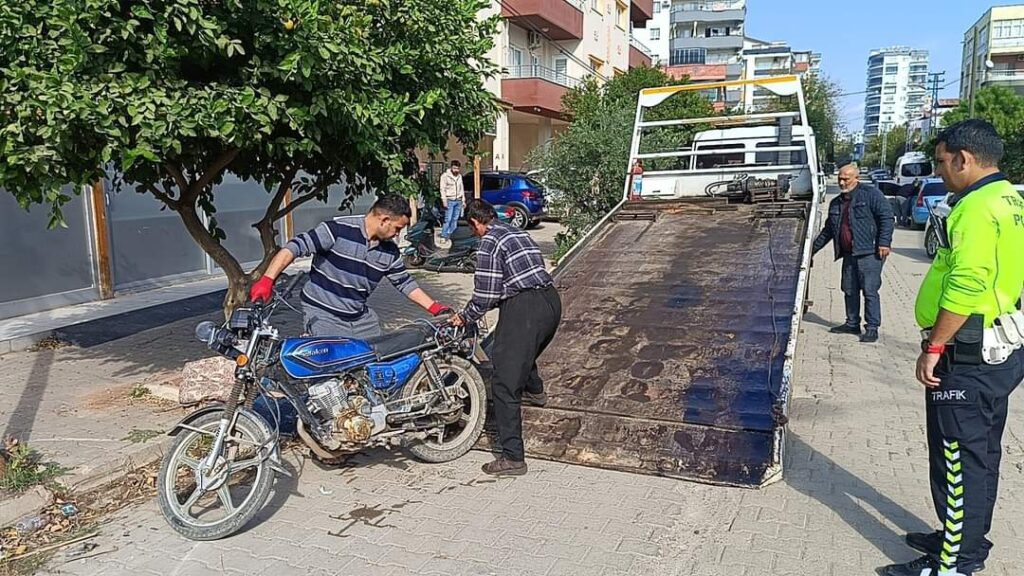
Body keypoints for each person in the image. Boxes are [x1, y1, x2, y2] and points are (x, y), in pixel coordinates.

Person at [882, 120, 1024, 576]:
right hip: (995, 348)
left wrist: (935, 346)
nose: (940, 171)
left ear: (964, 158)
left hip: (967, 354)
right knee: (979, 454)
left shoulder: (977, 208)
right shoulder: (1010, 200)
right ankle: (960, 537)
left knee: (958, 460)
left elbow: (967, 282)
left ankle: (954, 562)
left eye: (943, 162)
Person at [450, 199, 561, 476]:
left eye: (472, 228)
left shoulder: (489, 242)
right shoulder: (516, 232)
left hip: (523, 307)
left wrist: (465, 317)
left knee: (503, 381)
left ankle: (513, 457)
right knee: (521, 351)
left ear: (476, 223)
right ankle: (536, 392)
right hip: (551, 301)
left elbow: (487, 294)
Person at [250, 194, 451, 339]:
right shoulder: (337, 230)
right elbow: (292, 248)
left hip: (360, 318)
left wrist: (435, 308)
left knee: (376, 365)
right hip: (323, 314)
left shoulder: (389, 251)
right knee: (329, 372)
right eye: (397, 228)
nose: (397, 234)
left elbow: (405, 284)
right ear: (384, 220)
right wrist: (267, 280)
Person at [812, 163, 894, 343]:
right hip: (849, 254)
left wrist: (884, 242)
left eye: (845, 179)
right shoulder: (837, 203)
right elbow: (828, 231)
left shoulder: (871, 195)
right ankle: (852, 323)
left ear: (856, 178)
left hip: (870, 253)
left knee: (870, 290)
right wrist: (810, 251)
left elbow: (887, 217)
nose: (841, 182)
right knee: (849, 289)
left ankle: (872, 327)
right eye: (840, 178)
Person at [439, 160, 465, 246]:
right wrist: (444, 200)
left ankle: (453, 235)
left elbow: (462, 188)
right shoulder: (445, 176)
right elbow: (442, 189)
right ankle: (444, 235)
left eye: (457, 168)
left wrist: (463, 200)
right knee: (448, 219)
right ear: (451, 167)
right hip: (449, 200)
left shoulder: (459, 176)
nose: (456, 170)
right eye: (454, 168)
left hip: (458, 199)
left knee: (455, 219)